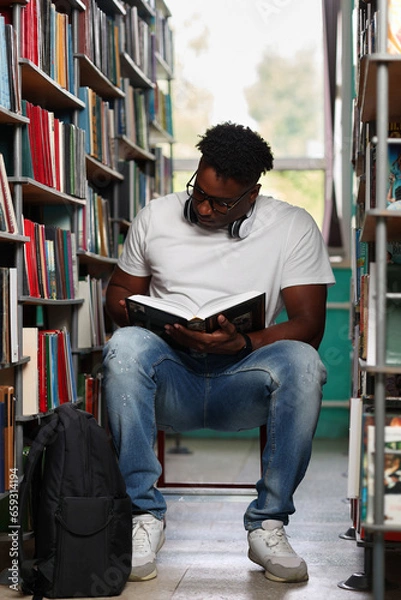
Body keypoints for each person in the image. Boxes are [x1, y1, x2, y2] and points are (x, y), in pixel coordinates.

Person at [103, 122, 335, 584]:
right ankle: (144, 517)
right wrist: (152, 321)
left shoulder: (291, 226)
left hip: (243, 379)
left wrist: (243, 342)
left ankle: (268, 523)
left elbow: (308, 325)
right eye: (199, 193)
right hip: (173, 376)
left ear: (253, 195)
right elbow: (117, 294)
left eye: (221, 203)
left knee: (304, 364)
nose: (205, 208)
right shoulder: (156, 216)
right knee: (123, 347)